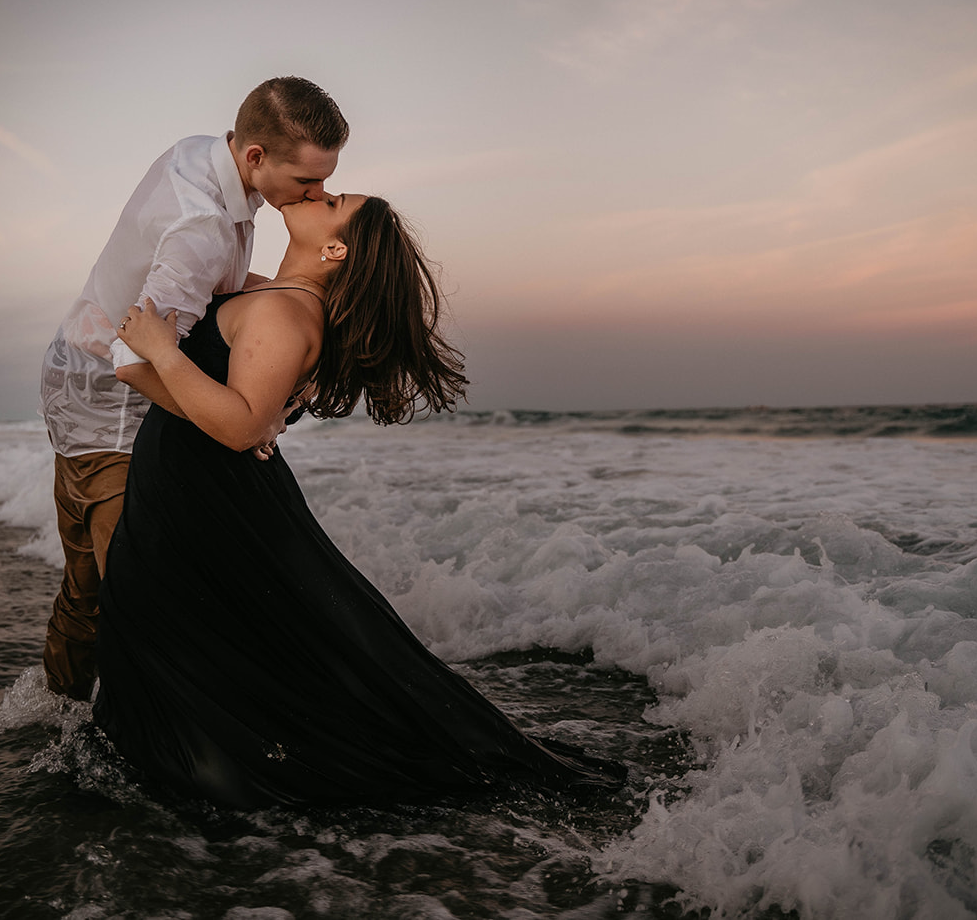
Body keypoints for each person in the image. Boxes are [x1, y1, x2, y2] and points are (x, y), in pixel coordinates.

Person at [93, 193, 625, 808]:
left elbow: (238, 427)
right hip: (199, 484)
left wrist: (158, 356)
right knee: (204, 631)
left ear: (335, 248)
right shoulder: (272, 295)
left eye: (333, 201)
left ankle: (182, 784)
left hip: (208, 491)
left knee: (168, 624)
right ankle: (173, 768)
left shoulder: (285, 312)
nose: (317, 193)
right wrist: (164, 371)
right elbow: (242, 414)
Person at [38, 76, 349, 701]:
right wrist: (247, 426)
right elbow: (135, 360)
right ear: (256, 156)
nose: (317, 194)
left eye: (324, 181)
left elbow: (212, 284)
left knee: (92, 585)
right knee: (129, 591)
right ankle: (111, 732)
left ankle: (61, 709)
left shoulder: (204, 152)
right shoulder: (201, 227)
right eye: (306, 181)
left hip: (76, 367)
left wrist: (296, 304)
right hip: (109, 406)